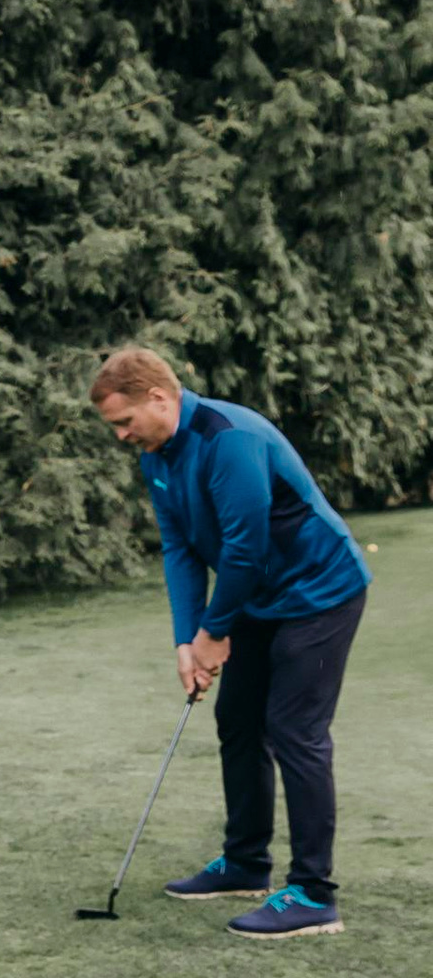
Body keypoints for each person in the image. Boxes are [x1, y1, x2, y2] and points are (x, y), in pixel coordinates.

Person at [90, 344, 371, 941]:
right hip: (258, 598)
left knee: (295, 730)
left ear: (158, 399)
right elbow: (180, 548)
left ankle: (315, 895)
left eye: (123, 421)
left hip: (320, 591)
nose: (120, 436)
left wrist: (215, 632)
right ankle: (246, 864)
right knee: (238, 721)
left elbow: (244, 551)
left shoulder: (230, 438)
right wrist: (185, 642)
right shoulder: (157, 455)